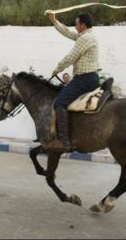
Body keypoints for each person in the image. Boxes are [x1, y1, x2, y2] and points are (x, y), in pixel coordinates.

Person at [46, 12, 100, 152]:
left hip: (84, 79)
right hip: (87, 78)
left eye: (76, 24)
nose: (75, 27)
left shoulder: (86, 38)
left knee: (59, 103)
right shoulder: (86, 36)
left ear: (82, 24)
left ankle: (64, 141)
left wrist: (56, 70)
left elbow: (71, 57)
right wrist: (54, 21)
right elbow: (69, 33)